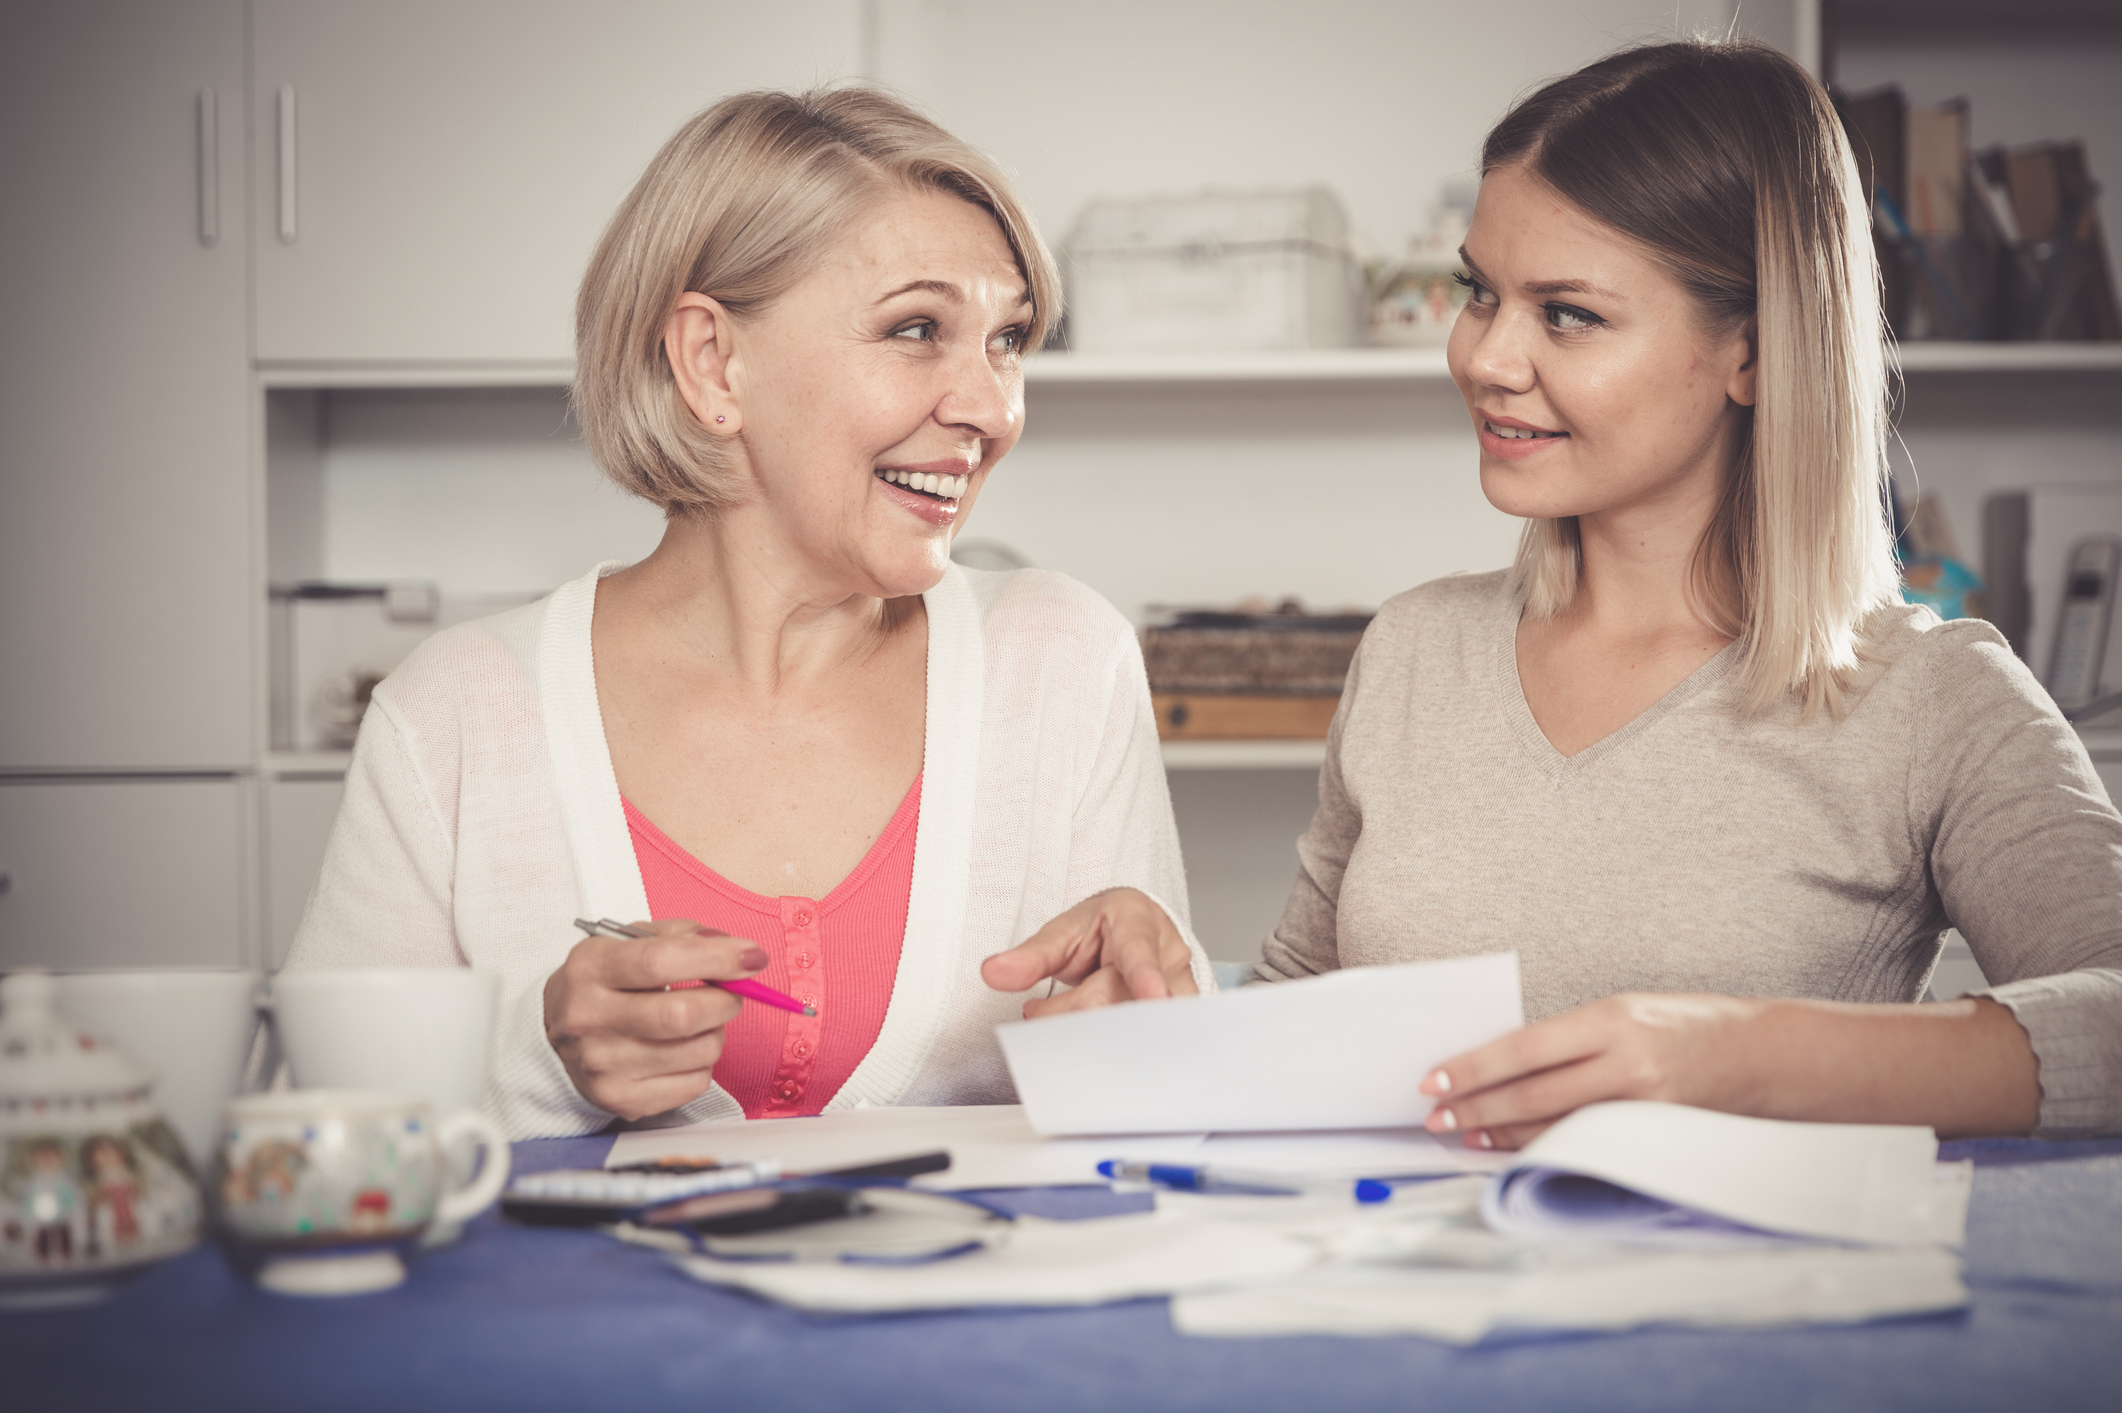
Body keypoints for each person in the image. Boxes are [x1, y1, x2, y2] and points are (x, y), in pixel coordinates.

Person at [1021, 39, 2122, 1144]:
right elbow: (1300, 1027)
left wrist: (1735, 1052)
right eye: (1479, 293)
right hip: (1409, 1302)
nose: (1486, 358)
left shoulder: (1936, 699)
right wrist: (1159, 1008)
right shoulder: (1415, 649)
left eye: (1568, 314)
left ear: (1753, 349)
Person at [284, 87, 1210, 1139]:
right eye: (917, 330)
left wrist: (1146, 1033)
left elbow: (1165, 1140)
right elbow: (310, 1151)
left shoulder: (1063, 662)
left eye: (1007, 341)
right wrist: (546, 1066)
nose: (994, 412)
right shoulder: (452, 714)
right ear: (712, 363)